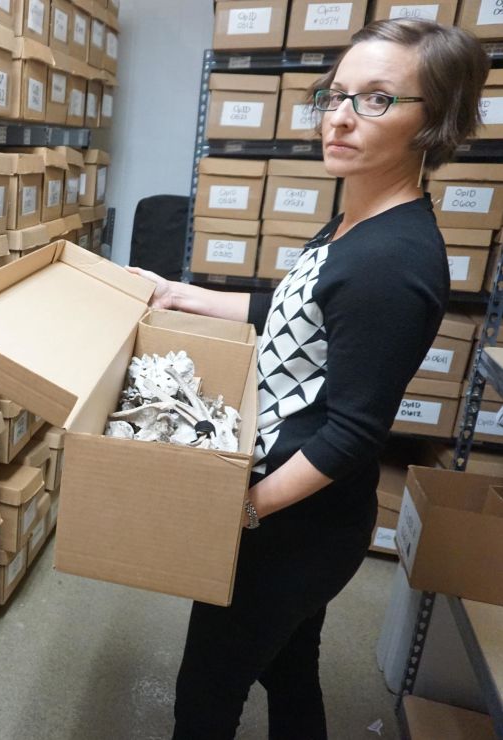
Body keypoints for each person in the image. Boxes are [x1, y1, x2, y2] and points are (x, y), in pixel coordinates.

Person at [131, 19, 489, 740]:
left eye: (378, 99)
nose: (341, 116)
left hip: (296, 525)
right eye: (335, 95)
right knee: (288, 668)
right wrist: (186, 293)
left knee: (207, 695)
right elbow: (298, 306)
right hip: (298, 516)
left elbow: (355, 432)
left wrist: (244, 511)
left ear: (435, 122)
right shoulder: (357, 220)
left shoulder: (393, 261)